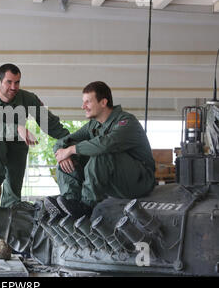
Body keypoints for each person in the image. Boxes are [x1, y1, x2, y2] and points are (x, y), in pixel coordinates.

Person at [0, 63, 69, 259]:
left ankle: (5, 243)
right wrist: (18, 128)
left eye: (17, 82)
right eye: (9, 82)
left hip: (17, 145)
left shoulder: (28, 98)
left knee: (13, 193)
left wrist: (70, 144)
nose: (13, 87)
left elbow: (50, 124)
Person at [53, 81, 155, 218]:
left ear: (103, 102)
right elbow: (65, 141)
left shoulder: (126, 121)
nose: (83, 106)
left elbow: (105, 144)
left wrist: (71, 149)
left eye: (88, 102)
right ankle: (71, 201)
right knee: (67, 157)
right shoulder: (93, 125)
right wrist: (62, 151)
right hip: (114, 180)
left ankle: (86, 206)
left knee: (101, 152)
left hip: (139, 181)